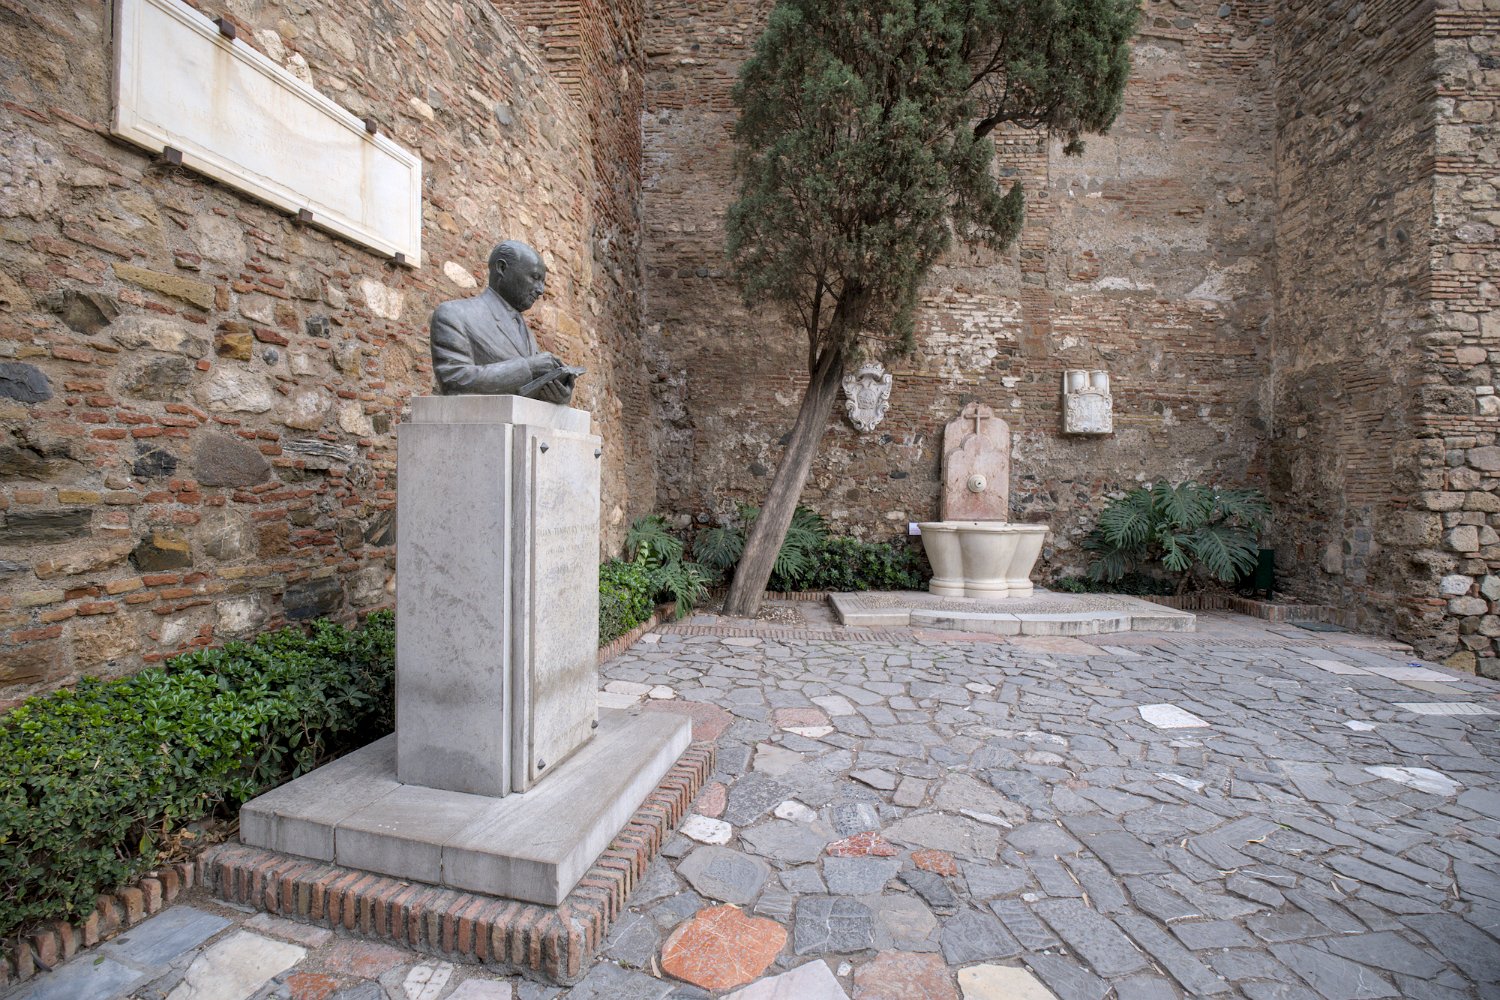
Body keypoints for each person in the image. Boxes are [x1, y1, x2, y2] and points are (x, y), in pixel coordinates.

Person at [428, 240, 578, 403]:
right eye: (534, 278)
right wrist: (530, 368)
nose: (540, 290)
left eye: (542, 282)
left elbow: (524, 387)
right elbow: (454, 378)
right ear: (502, 268)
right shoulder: (455, 314)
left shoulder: (525, 331)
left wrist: (558, 393)